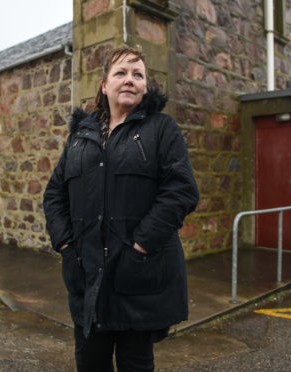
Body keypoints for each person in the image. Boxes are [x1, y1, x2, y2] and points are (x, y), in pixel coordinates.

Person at [43, 45, 199, 371]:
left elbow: (181, 191)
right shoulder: (80, 136)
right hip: (87, 278)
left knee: (135, 364)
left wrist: (140, 246)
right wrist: (66, 244)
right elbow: (55, 194)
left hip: (136, 277)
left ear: (145, 86)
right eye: (121, 73)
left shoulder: (161, 129)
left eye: (137, 74)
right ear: (104, 85)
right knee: (89, 362)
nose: (130, 80)